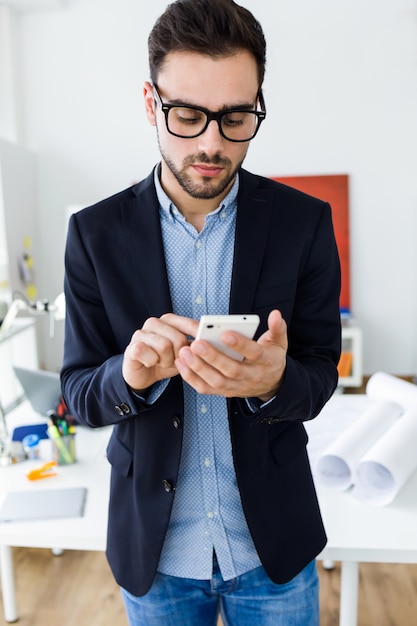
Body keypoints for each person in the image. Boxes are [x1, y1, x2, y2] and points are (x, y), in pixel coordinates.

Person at [61, 0, 341, 624]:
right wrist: (130, 376)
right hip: (155, 556)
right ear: (149, 103)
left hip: (273, 550)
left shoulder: (304, 223)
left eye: (237, 117)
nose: (212, 144)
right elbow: (79, 393)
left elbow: (322, 374)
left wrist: (274, 382)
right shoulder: (94, 234)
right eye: (187, 116)